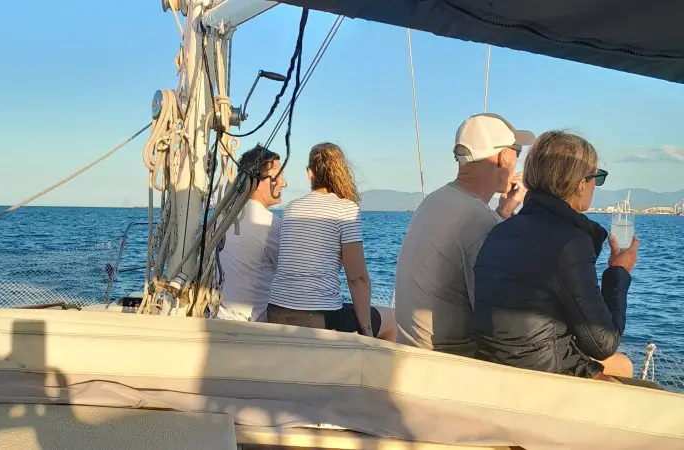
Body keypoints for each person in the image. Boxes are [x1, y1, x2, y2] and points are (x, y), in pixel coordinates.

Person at [472, 130, 638, 381]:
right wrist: (618, 273)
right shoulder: (570, 243)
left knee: (623, 367)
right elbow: (602, 343)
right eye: (597, 177)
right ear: (581, 182)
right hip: (541, 379)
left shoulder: (500, 231)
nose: (595, 186)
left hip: (496, 367)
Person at [394, 113, 534, 357]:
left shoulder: (434, 201)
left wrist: (503, 211)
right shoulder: (479, 220)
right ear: (503, 158)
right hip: (450, 364)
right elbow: (500, 323)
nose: (517, 163)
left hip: (411, 352)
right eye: (517, 153)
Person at [267, 142, 396, 341]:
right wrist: (366, 329)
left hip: (275, 313)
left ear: (310, 173)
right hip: (318, 318)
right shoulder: (345, 210)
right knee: (391, 320)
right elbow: (357, 279)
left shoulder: (291, 208)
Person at [217, 145, 287, 322]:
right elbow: (293, 274)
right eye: (277, 177)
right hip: (250, 328)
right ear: (255, 182)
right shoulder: (270, 224)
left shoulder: (221, 217)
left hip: (217, 316)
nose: (283, 183)